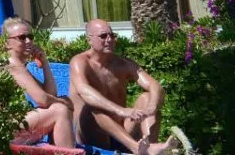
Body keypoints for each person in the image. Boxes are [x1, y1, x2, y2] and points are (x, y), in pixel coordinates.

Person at [69, 19, 179, 154]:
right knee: (92, 108)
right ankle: (136, 148)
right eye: (103, 36)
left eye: (112, 35)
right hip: (92, 134)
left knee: (147, 98)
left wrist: (151, 107)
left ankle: (149, 146)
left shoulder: (122, 63)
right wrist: (121, 110)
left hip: (122, 133)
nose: (109, 39)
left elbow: (154, 85)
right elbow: (84, 91)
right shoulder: (80, 62)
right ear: (89, 40)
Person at [0, 18, 76, 150]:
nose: (28, 41)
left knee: (62, 103)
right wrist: (64, 103)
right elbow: (43, 100)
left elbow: (50, 94)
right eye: (22, 38)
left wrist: (44, 62)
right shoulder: (11, 65)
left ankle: (60, 149)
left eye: (30, 37)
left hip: (9, 125)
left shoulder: (18, 65)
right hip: (2, 130)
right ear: (7, 43)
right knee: (60, 109)